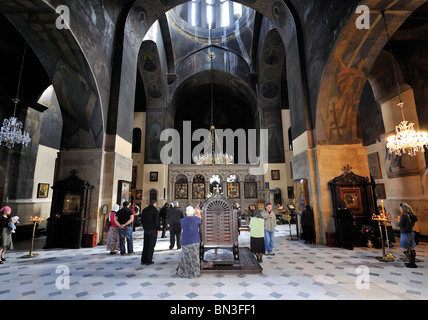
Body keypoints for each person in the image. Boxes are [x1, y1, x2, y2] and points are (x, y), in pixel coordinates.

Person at [176, 206, 202, 278]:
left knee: (186, 258)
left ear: (186, 212)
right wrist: (199, 212)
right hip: (195, 240)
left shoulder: (183, 220)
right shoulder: (196, 219)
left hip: (186, 241)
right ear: (193, 212)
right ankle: (195, 273)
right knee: (195, 257)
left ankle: (186, 273)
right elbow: (200, 219)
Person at [398, 203, 418, 268]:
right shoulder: (411, 215)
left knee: (402, 248)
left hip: (405, 233)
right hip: (411, 233)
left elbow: (401, 225)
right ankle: (413, 263)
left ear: (403, 208)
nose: (399, 209)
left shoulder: (404, 215)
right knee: (411, 247)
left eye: (400, 207)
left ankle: (411, 262)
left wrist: (397, 223)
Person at [141, 199, 160, 265]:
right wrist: (158, 229)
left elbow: (142, 220)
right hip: (153, 230)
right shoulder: (155, 210)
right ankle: (148, 261)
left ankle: (143, 260)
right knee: (151, 245)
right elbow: (157, 221)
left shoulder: (144, 209)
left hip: (146, 230)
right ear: (155, 203)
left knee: (145, 245)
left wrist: (144, 227)